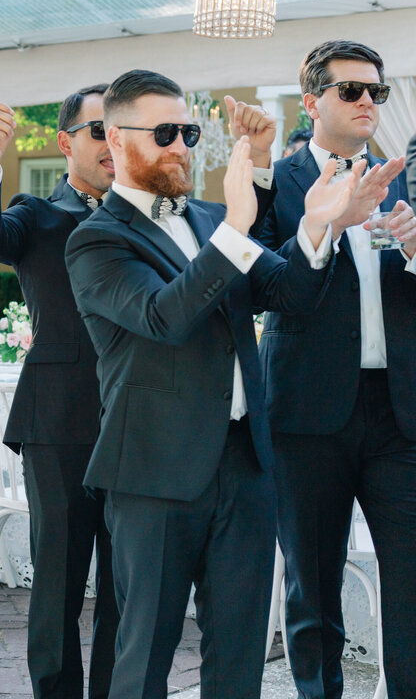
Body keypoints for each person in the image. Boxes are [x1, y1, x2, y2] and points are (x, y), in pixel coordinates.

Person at [64, 69, 353, 698]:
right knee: (142, 662)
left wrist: (314, 228)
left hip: (246, 469)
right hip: (154, 475)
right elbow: (163, 317)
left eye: (189, 132)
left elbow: (291, 294)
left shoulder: (209, 219)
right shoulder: (96, 240)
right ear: (115, 138)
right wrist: (236, 227)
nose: (181, 146)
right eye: (164, 132)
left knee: (239, 660)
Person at [252, 40, 416, 698]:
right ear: (313, 100)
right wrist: (322, 229)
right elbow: (261, 282)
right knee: (312, 587)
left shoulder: (404, 176)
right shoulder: (279, 181)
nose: (368, 102)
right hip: (306, 413)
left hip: (399, 412)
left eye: (376, 90)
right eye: (352, 90)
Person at [0, 89, 119, 699]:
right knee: (58, 579)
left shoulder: (148, 215)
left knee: (127, 584)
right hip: (56, 421)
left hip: (137, 416)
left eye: (120, 129)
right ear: (66, 142)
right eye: (98, 129)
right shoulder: (37, 215)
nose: (112, 143)